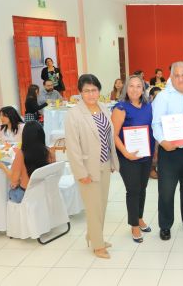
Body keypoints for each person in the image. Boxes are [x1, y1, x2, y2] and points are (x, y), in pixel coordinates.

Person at [65, 74, 119, 259]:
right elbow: (72, 147)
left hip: (104, 164)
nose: (91, 94)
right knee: (93, 207)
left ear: (99, 91)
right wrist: (81, 173)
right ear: (80, 93)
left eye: (94, 90)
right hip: (88, 168)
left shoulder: (103, 107)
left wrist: (112, 161)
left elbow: (108, 138)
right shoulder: (74, 114)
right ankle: (97, 245)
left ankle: (93, 236)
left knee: (101, 205)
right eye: (86, 91)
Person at [151, 61, 183, 241]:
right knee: (166, 190)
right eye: (177, 75)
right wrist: (163, 141)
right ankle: (165, 225)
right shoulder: (163, 97)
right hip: (170, 151)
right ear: (171, 77)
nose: (180, 79)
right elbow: (156, 124)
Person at [111, 75, 155, 243]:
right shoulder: (120, 108)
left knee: (143, 188)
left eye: (138, 86)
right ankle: (134, 225)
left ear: (143, 89)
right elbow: (113, 135)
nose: (135, 89)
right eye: (131, 86)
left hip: (146, 154)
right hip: (127, 157)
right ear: (125, 89)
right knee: (133, 190)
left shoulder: (148, 106)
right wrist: (126, 153)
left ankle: (140, 217)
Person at [0, 121, 56, 203]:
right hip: (44, 192)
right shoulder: (49, 151)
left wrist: (3, 167)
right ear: (42, 135)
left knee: (9, 192)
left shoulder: (21, 154)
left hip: (26, 195)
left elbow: (13, 179)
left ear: (25, 136)